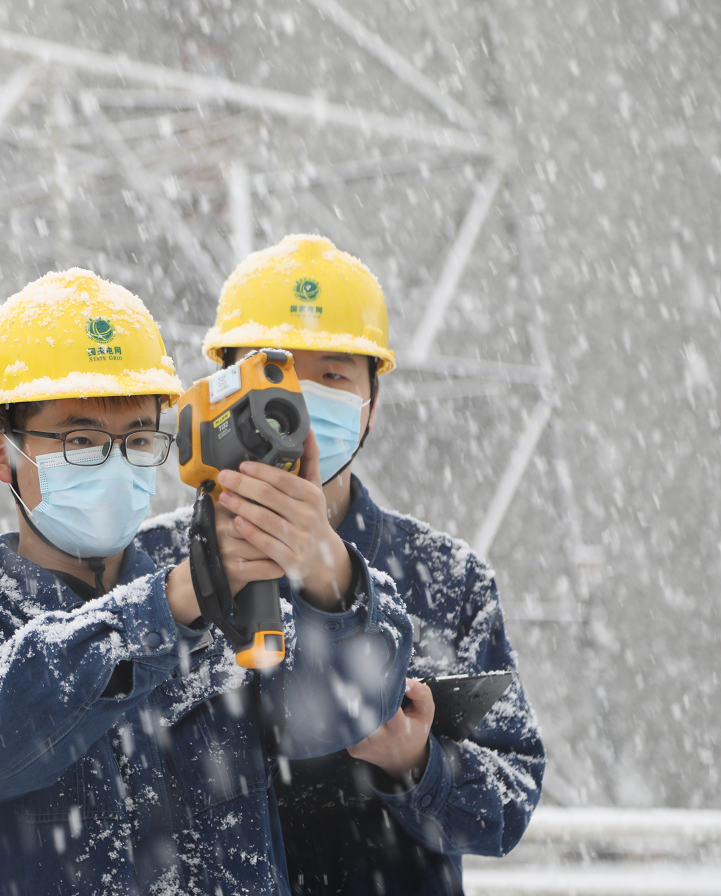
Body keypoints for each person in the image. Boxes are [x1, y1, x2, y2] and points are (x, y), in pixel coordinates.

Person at [0, 268, 413, 896]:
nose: (114, 460)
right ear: (3, 454)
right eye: (80, 438)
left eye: (138, 438)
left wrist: (328, 569)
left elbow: (345, 713)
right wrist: (167, 606)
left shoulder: (230, 620)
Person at [191, 234, 546, 894]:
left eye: (332, 375)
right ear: (225, 389)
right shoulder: (165, 578)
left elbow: (511, 800)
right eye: (278, 372)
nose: (298, 399)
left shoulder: (447, 579)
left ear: (371, 406)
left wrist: (418, 764)